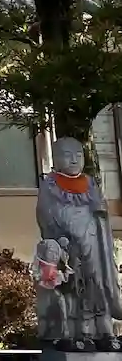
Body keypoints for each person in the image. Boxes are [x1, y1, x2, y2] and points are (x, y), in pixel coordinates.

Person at [35, 137, 122, 349]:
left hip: (95, 244)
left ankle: (104, 330)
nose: (74, 160)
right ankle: (80, 333)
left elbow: (100, 209)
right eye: (67, 155)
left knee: (98, 285)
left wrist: (97, 214)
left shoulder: (90, 183)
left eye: (79, 155)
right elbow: (47, 213)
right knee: (75, 288)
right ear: (55, 158)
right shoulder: (51, 184)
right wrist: (64, 231)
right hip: (69, 246)